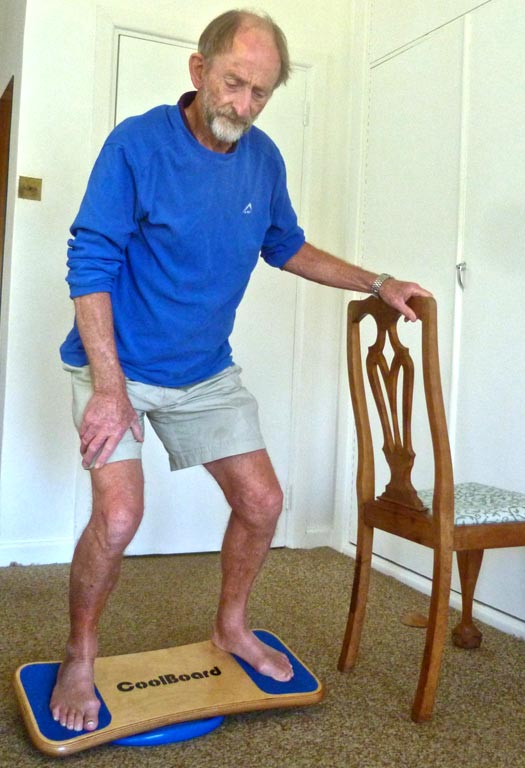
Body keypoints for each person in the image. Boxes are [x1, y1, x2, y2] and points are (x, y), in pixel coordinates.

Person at [51, 9, 431, 733]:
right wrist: (107, 387)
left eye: (260, 93)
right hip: (117, 364)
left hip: (202, 371)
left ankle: (230, 624)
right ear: (198, 71)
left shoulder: (262, 159)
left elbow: (285, 245)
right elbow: (91, 261)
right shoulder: (136, 145)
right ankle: (81, 651)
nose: (244, 106)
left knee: (262, 502)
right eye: (234, 85)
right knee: (121, 513)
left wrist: (376, 281)